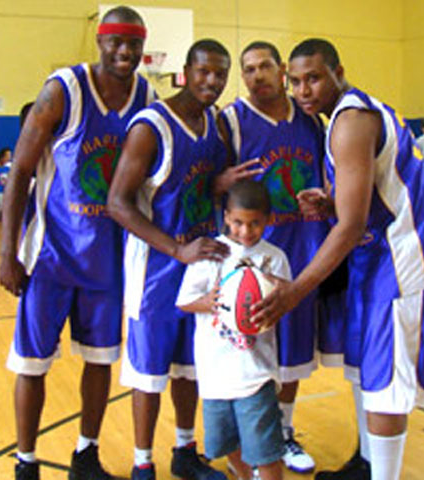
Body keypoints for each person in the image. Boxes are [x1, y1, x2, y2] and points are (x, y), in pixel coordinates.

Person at [252, 38, 424, 480]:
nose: (303, 90)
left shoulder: (351, 121)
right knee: (366, 364)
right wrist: (332, 204)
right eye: (295, 82)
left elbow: (350, 228)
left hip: (409, 255)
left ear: (338, 71)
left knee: (387, 378)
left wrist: (294, 291)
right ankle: (366, 464)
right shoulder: (349, 114)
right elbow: (370, 197)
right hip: (381, 252)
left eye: (313, 78)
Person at [0, 6, 155, 480]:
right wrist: (7, 251)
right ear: (100, 42)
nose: (125, 52)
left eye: (134, 44)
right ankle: (26, 461)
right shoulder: (62, 90)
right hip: (51, 256)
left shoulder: (147, 95)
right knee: (32, 362)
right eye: (116, 43)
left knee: (100, 361)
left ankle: (85, 454)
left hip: (109, 259)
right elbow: (21, 171)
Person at [217, 41, 346, 474]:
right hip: (253, 255)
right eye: (249, 69)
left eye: (266, 66)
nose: (258, 75)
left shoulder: (311, 116)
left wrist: (328, 199)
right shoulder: (231, 120)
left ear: (282, 69)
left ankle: (283, 433)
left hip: (305, 248)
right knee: (250, 350)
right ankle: (252, 436)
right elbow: (211, 183)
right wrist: (220, 183)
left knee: (292, 353)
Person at [106, 39, 232, 480]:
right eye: (204, 72)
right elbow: (118, 203)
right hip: (157, 266)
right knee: (148, 371)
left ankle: (184, 451)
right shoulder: (151, 125)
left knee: (189, 366)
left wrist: (219, 186)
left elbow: (198, 186)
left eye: (220, 74)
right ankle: (143, 462)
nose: (212, 82)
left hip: (200, 262)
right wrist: (177, 249)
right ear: (185, 71)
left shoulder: (215, 124)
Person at [176, 180, 291, 480]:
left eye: (255, 223)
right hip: (215, 374)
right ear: (226, 216)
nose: (245, 231)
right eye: (238, 222)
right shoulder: (211, 252)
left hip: (256, 373)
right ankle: (242, 475)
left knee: (266, 452)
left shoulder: (274, 258)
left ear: (268, 220)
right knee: (228, 444)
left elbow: (288, 299)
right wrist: (209, 301)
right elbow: (184, 301)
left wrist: (272, 288)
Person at [0, 147, 12, 220]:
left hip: (6, 191)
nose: (9, 157)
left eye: (9, 156)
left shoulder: (9, 167)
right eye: (7, 156)